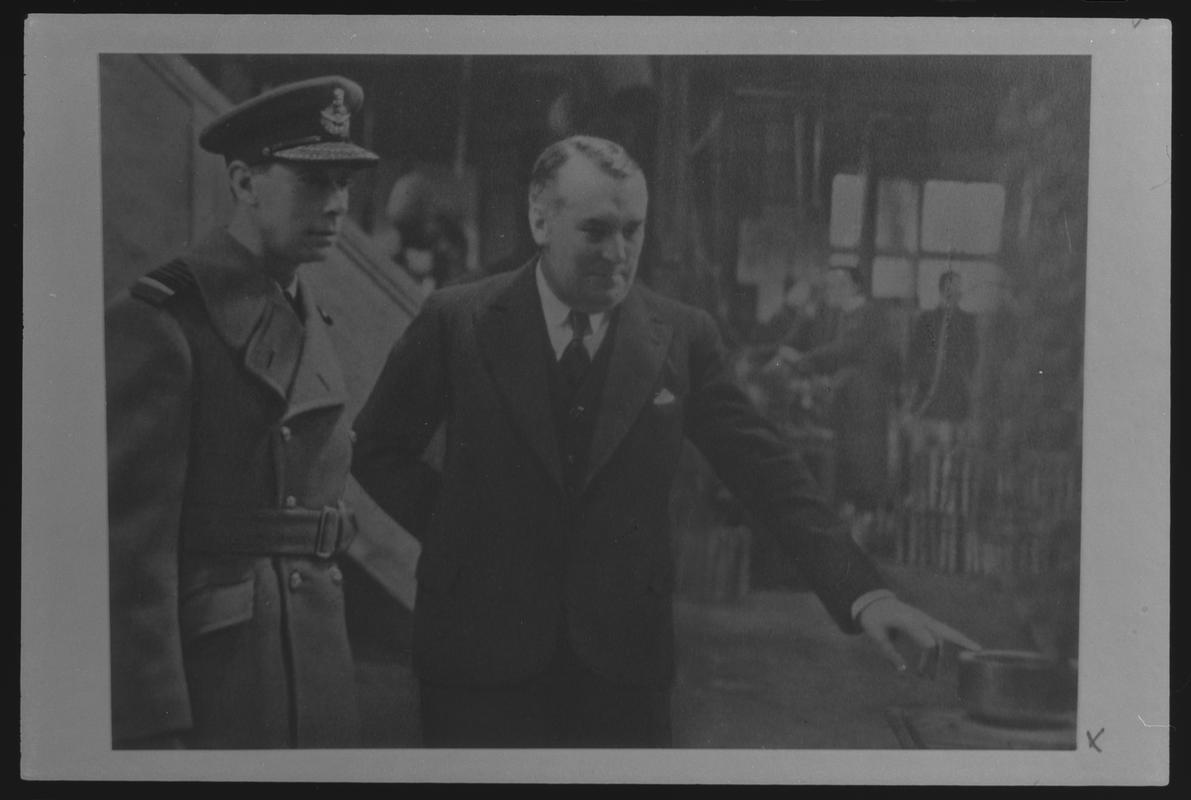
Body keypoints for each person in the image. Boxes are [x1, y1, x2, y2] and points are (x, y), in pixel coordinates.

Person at [351, 135, 978, 748]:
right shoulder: (456, 321)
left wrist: (865, 595)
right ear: (540, 221)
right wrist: (462, 533)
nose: (619, 253)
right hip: (477, 658)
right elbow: (377, 447)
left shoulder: (681, 337)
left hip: (621, 671)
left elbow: (768, 473)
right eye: (596, 231)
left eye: (634, 229)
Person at [105, 76, 380, 749]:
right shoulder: (163, 322)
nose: (337, 205)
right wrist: (152, 723)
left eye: (344, 183)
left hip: (313, 649)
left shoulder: (312, 312)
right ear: (243, 181)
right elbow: (129, 556)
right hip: (220, 669)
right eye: (314, 182)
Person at [782, 266, 900, 530]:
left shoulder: (866, 314)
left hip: (864, 405)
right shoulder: (839, 316)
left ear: (855, 287)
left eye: (839, 284)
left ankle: (863, 526)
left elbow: (846, 350)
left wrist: (804, 361)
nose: (831, 290)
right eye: (830, 284)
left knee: (863, 468)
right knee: (843, 467)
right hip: (846, 402)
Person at [907, 269, 979, 445]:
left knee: (954, 451)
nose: (957, 292)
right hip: (928, 398)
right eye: (953, 287)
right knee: (924, 451)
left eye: (959, 288)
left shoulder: (968, 322)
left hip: (957, 399)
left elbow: (974, 356)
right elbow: (913, 356)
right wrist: (925, 376)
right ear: (943, 289)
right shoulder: (926, 320)